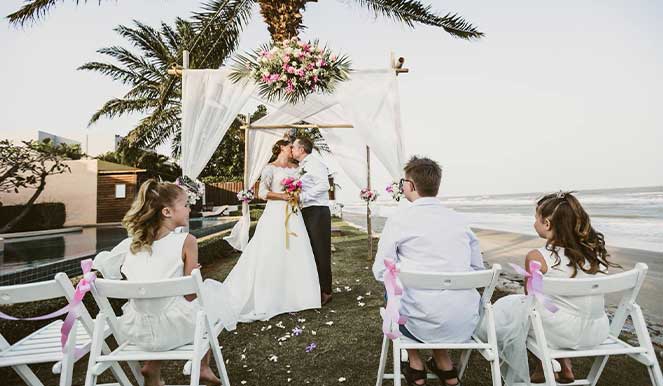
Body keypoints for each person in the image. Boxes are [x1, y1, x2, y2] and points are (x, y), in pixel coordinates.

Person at [479, 191, 619, 384]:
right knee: (547, 310)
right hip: (597, 331)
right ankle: (563, 365)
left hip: (562, 332)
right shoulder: (593, 255)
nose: (534, 222)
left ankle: (545, 365)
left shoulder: (538, 257)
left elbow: (531, 299)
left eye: (536, 218)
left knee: (514, 310)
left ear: (547, 224)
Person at [373, 156, 484, 386]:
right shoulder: (459, 220)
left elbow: (380, 271)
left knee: (394, 288)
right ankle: (444, 365)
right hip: (462, 319)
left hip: (417, 316)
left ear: (411, 185)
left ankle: (415, 363)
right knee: (437, 298)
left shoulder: (399, 220)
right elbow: (477, 270)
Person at [112, 179, 224, 386]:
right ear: (167, 212)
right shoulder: (186, 241)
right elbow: (191, 296)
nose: (189, 209)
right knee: (209, 300)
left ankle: (152, 367)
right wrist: (195, 280)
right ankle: (202, 367)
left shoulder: (131, 245)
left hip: (137, 330)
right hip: (175, 330)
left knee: (161, 307)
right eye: (185, 205)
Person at [223, 139, 321, 322]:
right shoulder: (269, 168)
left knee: (296, 250)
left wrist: (296, 193)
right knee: (271, 251)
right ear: (282, 147)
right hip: (274, 214)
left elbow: (305, 186)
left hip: (293, 215)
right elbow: (262, 193)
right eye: (290, 146)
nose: (293, 149)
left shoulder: (297, 168)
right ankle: (270, 295)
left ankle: (298, 296)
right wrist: (283, 195)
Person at [291, 137, 333, 305]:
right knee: (312, 251)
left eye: (294, 147)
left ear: (301, 149)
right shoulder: (302, 166)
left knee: (321, 251)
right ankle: (316, 288)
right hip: (307, 211)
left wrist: (302, 197)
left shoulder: (315, 163)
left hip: (318, 211)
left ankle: (326, 291)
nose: (292, 150)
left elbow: (324, 186)